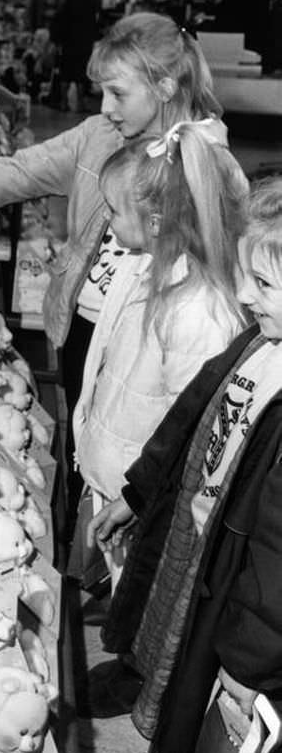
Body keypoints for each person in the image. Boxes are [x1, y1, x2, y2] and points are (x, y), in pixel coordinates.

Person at [0, 12, 227, 536]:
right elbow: (18, 171)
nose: (105, 108)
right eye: (101, 92)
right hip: (89, 323)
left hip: (157, 347)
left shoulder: (204, 163)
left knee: (143, 460)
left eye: (118, 94)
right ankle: (92, 543)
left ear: (166, 86)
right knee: (91, 441)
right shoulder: (99, 136)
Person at [89, 177, 282, 753]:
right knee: (190, 705)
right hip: (205, 560)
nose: (245, 292)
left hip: (249, 618)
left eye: (262, 280)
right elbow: (193, 409)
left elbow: (277, 554)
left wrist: (250, 656)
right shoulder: (258, 340)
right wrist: (140, 488)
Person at [72, 123, 247, 591]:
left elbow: (189, 428)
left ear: (155, 222)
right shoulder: (149, 270)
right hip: (124, 484)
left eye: (113, 209)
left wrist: (136, 495)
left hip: (147, 499)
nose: (106, 220)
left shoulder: (198, 312)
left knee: (142, 598)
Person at [48, 0, 101, 111]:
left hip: (68, 42)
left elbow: (59, 20)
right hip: (84, 43)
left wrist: (57, 40)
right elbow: (95, 23)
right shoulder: (93, 2)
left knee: (66, 72)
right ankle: (80, 103)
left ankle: (64, 102)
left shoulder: (70, 1)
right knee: (82, 74)